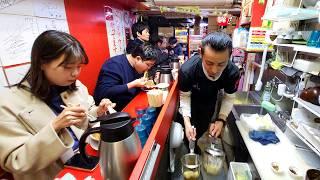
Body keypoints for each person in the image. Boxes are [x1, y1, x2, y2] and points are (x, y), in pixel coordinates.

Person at [0, 30, 115, 180]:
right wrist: (55, 127)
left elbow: (87, 115)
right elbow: (15, 161)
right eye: (67, 67)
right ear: (42, 63)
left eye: (79, 66)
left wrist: (98, 111)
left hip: (87, 163)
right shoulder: (8, 102)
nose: (75, 73)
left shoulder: (76, 86)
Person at [178, 32, 239, 151]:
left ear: (229, 56)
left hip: (210, 101)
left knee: (202, 127)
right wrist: (187, 121)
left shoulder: (232, 72)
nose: (214, 70)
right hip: (191, 101)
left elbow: (229, 97)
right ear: (200, 53)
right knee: (187, 134)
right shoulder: (187, 70)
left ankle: (196, 147)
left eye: (221, 64)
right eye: (209, 63)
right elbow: (185, 96)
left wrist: (221, 119)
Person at [94, 44, 158, 111]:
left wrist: (142, 86)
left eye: (151, 65)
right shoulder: (114, 65)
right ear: (138, 59)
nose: (149, 68)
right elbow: (103, 93)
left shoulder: (137, 67)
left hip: (131, 104)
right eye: (148, 65)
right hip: (112, 111)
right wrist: (133, 84)